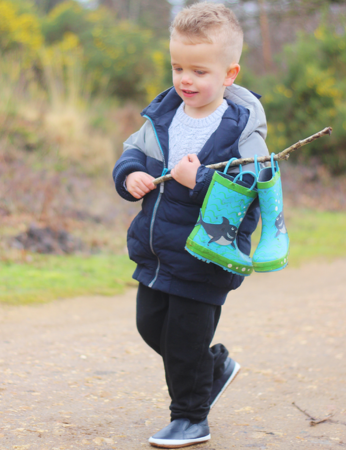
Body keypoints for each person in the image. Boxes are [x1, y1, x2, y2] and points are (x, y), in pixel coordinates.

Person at [112, 2, 269, 448]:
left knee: (183, 339)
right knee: (149, 326)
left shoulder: (242, 131)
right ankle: (212, 369)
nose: (185, 79)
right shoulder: (165, 113)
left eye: (199, 71)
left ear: (229, 74)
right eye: (179, 67)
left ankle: (190, 417)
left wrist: (199, 179)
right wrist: (130, 175)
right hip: (159, 249)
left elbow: (250, 188)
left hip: (206, 254)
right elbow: (133, 152)